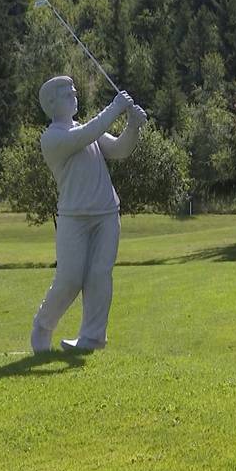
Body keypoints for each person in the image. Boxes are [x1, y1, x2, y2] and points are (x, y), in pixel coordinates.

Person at [30, 75, 147, 353]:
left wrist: (132, 126)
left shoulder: (85, 130)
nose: (73, 94)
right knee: (69, 279)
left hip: (106, 213)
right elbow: (86, 135)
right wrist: (115, 107)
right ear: (51, 103)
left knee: (99, 276)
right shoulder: (53, 138)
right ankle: (43, 327)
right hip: (74, 217)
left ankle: (92, 338)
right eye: (66, 93)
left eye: (73, 91)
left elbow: (119, 150)